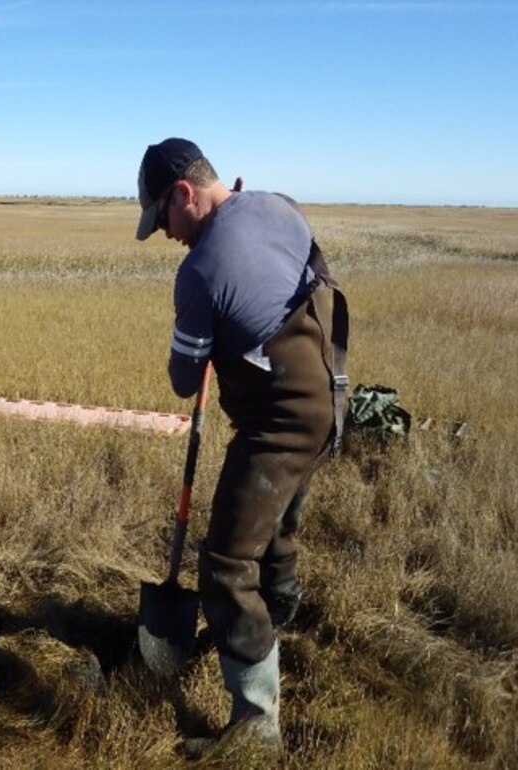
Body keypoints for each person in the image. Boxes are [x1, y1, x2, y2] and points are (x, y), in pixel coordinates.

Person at [135, 138, 348, 758]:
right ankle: (276, 622)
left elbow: (182, 380)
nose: (167, 234)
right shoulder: (276, 205)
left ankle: (256, 727)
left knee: (227, 564)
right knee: (273, 532)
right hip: (330, 398)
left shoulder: (199, 272)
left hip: (280, 422)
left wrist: (207, 328)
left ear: (184, 193)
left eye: (163, 218)